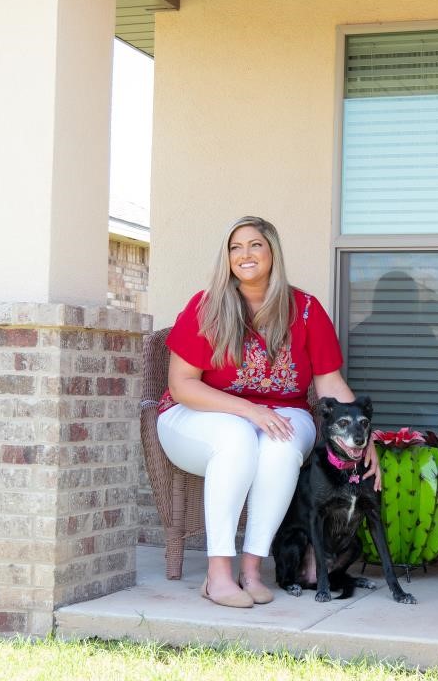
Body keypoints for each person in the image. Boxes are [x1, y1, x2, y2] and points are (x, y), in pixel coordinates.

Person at [156, 216, 380, 608]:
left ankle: (252, 569)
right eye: (235, 247)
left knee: (283, 442)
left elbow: (329, 382)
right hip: (193, 416)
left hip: (281, 413)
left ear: (272, 252)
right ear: (226, 258)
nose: (245, 254)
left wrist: (365, 440)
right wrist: (248, 411)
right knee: (236, 437)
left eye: (255, 245)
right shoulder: (205, 306)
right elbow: (182, 385)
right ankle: (218, 575)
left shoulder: (305, 309)